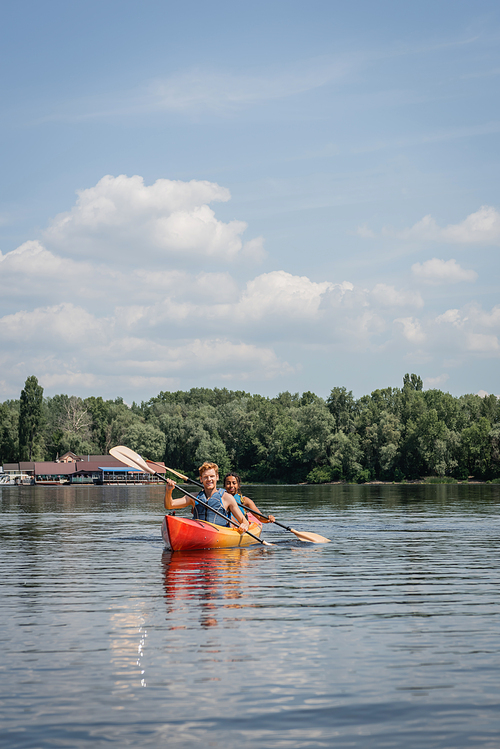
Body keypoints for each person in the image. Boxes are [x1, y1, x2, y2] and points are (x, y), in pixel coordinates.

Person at [164, 461, 249, 533]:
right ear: (201, 479)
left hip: (220, 534)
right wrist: (169, 491)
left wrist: (244, 526)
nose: (209, 479)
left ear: (217, 477)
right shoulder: (193, 497)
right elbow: (169, 505)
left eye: (212, 476)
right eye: (205, 477)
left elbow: (244, 521)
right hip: (198, 533)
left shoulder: (227, 498)